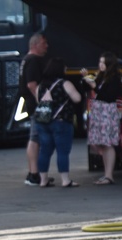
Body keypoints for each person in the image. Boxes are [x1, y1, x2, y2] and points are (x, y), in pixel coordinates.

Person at [35, 57, 82, 188]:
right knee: (62, 151)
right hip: (61, 121)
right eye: (65, 67)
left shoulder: (40, 86)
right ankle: (65, 180)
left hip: (43, 122)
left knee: (44, 151)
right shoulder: (64, 83)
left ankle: (43, 180)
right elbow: (77, 98)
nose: (66, 69)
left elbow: (38, 101)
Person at [81, 52, 122, 185]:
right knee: (99, 142)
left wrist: (95, 87)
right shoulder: (101, 76)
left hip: (107, 110)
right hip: (98, 110)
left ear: (109, 64)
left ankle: (109, 175)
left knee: (107, 143)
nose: (100, 65)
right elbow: (86, 88)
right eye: (100, 62)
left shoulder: (114, 79)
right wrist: (85, 78)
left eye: (103, 62)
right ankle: (107, 173)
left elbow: (109, 96)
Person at [19, 32, 49, 186]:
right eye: (44, 43)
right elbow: (32, 84)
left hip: (30, 104)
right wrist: (42, 103)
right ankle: (34, 174)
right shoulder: (33, 60)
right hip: (35, 105)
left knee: (35, 138)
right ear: (35, 45)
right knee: (35, 138)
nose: (47, 46)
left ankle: (33, 172)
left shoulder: (26, 59)